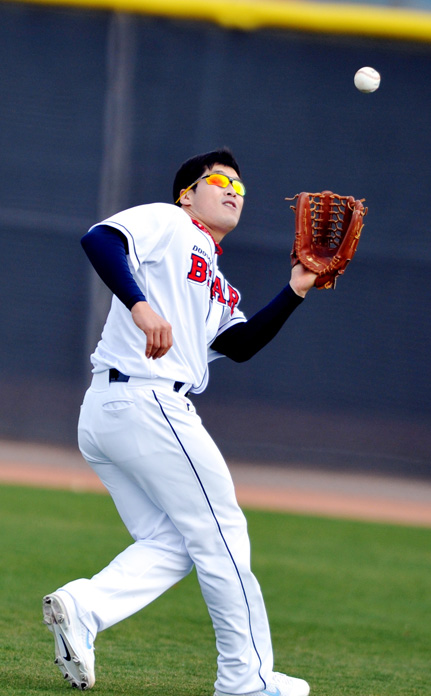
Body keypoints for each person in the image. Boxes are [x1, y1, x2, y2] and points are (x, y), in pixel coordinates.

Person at [42, 148, 317, 696]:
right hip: (149, 402)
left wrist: (295, 290)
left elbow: (239, 345)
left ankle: (84, 606)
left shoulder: (215, 280)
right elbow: (100, 239)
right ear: (188, 195)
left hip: (112, 412)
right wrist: (139, 304)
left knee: (173, 542)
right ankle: (245, 679)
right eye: (220, 181)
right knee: (223, 534)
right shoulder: (171, 222)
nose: (233, 190)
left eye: (240, 186)